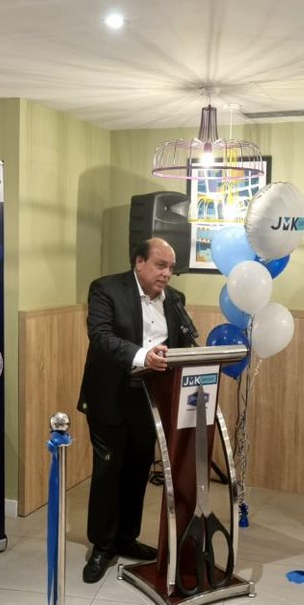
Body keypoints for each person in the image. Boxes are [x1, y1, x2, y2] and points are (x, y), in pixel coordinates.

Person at [77, 237, 192, 582]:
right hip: (110, 396)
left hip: (150, 399)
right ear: (139, 262)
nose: (167, 273)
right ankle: (102, 545)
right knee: (108, 472)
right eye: (161, 265)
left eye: (171, 268)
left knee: (138, 470)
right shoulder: (106, 289)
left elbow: (182, 342)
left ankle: (126, 537)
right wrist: (143, 356)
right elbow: (100, 336)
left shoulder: (175, 299)